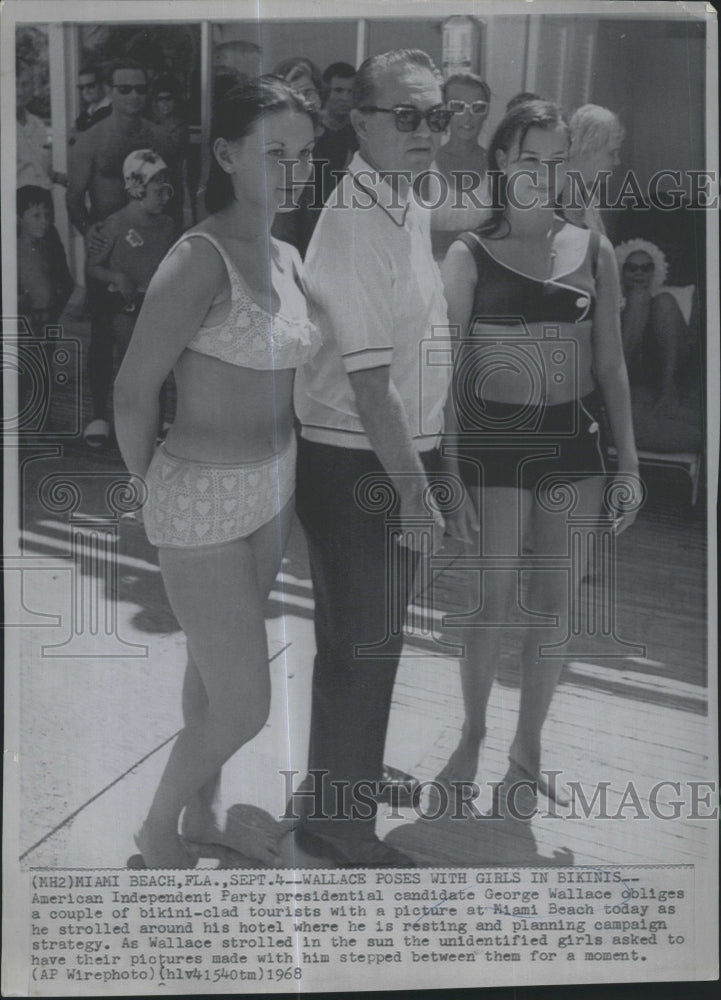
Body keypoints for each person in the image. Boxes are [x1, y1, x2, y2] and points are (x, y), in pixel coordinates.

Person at [114, 78, 319, 869]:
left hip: (274, 486)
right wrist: (153, 489)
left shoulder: (289, 256)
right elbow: (132, 393)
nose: (292, 168)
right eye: (275, 152)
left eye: (303, 154)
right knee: (244, 703)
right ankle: (156, 826)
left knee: (210, 671)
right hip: (196, 498)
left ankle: (202, 812)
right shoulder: (197, 259)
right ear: (228, 154)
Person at [437, 99, 639, 813]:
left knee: (554, 612)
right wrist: (450, 469)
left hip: (571, 446)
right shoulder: (467, 252)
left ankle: (528, 749)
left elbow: (610, 370)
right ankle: (471, 733)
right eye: (528, 160)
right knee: (488, 604)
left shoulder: (593, 249)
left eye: (556, 162)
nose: (543, 175)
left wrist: (629, 466)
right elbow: (447, 372)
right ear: (500, 161)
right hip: (492, 446)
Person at [292, 49, 454, 866]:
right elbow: (367, 386)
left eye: (439, 117)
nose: (427, 132)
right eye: (408, 116)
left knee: (367, 641)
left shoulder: (404, 197)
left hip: (391, 458)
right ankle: (336, 829)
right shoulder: (357, 216)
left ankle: (335, 779)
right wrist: (417, 496)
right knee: (363, 646)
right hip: (360, 465)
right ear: (359, 122)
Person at [67, 58, 172, 448]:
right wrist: (89, 232)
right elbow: (75, 197)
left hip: (150, 250)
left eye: (140, 89)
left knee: (155, 335)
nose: (133, 96)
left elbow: (176, 193)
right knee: (102, 335)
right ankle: (99, 413)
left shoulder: (162, 138)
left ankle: (155, 416)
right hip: (107, 250)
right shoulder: (91, 140)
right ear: (109, 91)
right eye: (124, 88)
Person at [85, 149, 176, 422]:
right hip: (127, 305)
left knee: (156, 369)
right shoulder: (115, 224)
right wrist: (118, 277)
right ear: (137, 189)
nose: (163, 197)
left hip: (156, 305)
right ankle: (126, 421)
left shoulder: (168, 224)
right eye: (156, 189)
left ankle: (155, 421)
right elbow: (93, 267)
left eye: (166, 189)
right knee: (132, 365)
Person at [615, 238, 697, 412]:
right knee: (638, 297)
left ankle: (669, 388)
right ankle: (617, 384)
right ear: (621, 270)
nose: (639, 273)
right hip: (633, 364)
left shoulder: (663, 301)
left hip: (664, 364)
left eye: (646, 268)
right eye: (632, 268)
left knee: (664, 300)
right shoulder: (613, 300)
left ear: (655, 271)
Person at [428, 72, 491, 259]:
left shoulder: (497, 166)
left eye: (478, 107)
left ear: (486, 113)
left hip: (481, 277)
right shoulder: (425, 165)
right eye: (457, 107)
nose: (468, 116)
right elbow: (414, 235)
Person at [270, 57, 326, 256]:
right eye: (297, 94)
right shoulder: (280, 150)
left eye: (310, 92)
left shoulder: (330, 138)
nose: (307, 101)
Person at [17, 185, 74, 333]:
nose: (44, 222)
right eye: (36, 216)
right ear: (19, 217)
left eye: (47, 215)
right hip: (23, 323)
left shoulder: (49, 244)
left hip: (48, 319)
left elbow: (67, 284)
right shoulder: (13, 249)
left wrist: (54, 313)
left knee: (46, 351)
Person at [564, 104, 625, 235]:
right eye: (611, 153)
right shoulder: (556, 195)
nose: (617, 161)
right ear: (587, 148)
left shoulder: (590, 200)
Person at [16, 60, 67, 189]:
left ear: (33, 87)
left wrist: (69, 179)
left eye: (25, 84)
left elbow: (43, 170)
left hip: (42, 201)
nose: (19, 92)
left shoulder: (37, 124)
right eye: (13, 84)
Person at [150, 76, 189, 229]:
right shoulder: (154, 124)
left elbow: (171, 152)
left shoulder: (179, 126)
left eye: (169, 99)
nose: (165, 104)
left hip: (173, 181)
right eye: (161, 100)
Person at [69, 65, 111, 143]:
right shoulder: (85, 115)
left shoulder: (112, 111)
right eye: (81, 88)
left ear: (103, 85)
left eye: (90, 86)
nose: (85, 91)